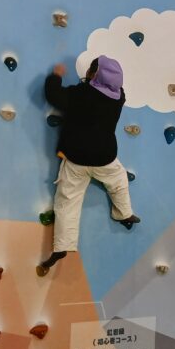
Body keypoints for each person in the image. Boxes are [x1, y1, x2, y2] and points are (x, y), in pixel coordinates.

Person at [38, 56, 139, 276]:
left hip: (77, 157)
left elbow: (54, 96)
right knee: (119, 181)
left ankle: (62, 246)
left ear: (94, 74)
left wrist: (55, 76)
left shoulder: (81, 94)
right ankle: (124, 213)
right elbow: (111, 90)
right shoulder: (118, 98)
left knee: (67, 201)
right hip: (105, 158)